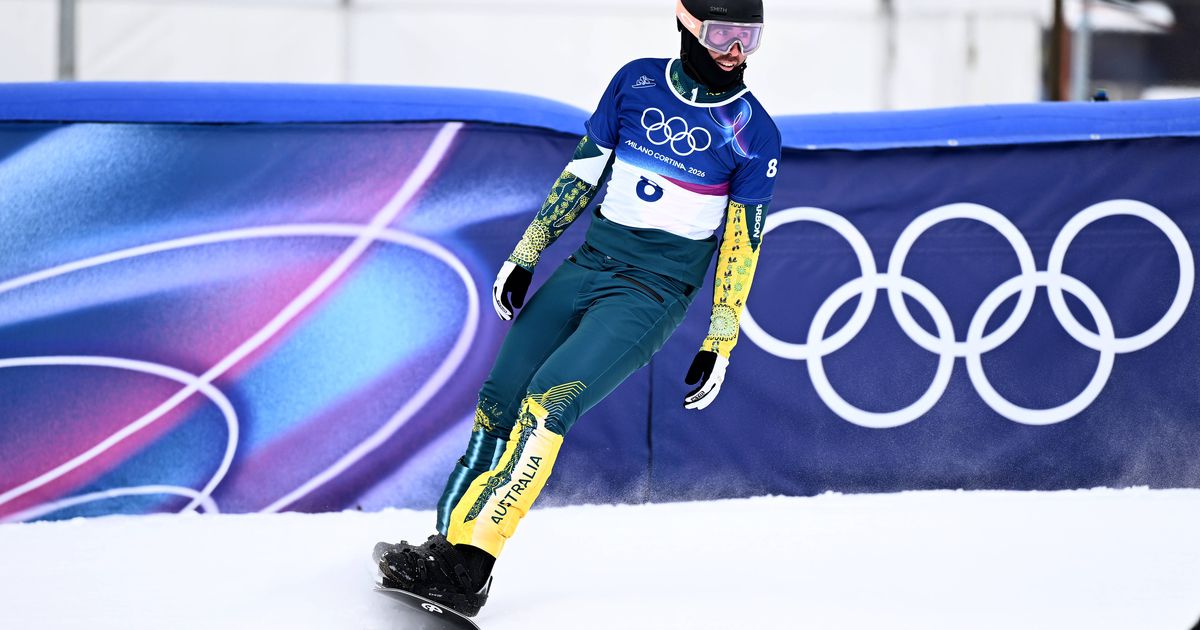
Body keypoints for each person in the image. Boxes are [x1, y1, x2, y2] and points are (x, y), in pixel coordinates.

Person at [373, 0, 780, 617]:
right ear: (687, 24)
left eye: (749, 37)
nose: (736, 52)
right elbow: (582, 173)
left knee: (549, 399)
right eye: (724, 34)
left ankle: (472, 569)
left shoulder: (754, 131)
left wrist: (720, 338)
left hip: (652, 292)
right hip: (590, 263)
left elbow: (742, 243)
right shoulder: (635, 82)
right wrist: (527, 254)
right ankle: (445, 547)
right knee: (501, 397)